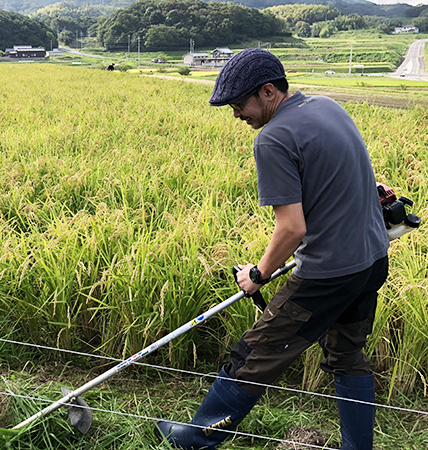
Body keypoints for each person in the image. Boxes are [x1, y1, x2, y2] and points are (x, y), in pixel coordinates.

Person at [155, 48, 389, 450]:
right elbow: (361, 182)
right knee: (347, 355)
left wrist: (257, 274)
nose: (236, 115)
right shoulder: (327, 106)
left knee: (254, 355)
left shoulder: (274, 137)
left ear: (267, 92)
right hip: (371, 261)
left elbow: (292, 228)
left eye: (238, 104)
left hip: (328, 273)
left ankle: (192, 441)